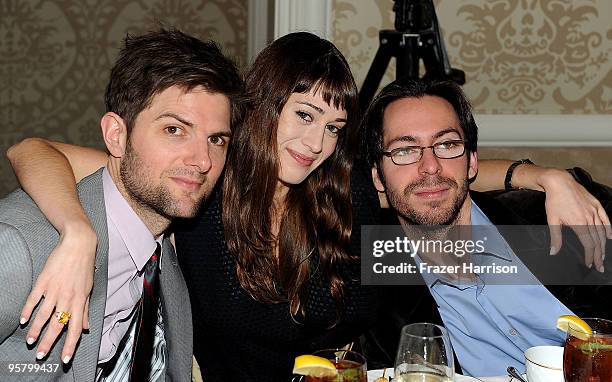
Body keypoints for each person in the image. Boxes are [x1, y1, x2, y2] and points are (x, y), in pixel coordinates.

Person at [6, 32, 610, 381]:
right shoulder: (198, 183)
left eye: (333, 126)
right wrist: (75, 230)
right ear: (264, 106)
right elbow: (34, 149)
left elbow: (430, 174)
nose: (315, 144)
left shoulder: (342, 190)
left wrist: (543, 175)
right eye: (303, 115)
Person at [0, 29, 243, 381]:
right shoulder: (22, 246)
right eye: (174, 130)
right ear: (117, 134)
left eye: (217, 140)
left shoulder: (167, 250)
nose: (203, 160)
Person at [360, 78, 612, 376]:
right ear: (377, 177)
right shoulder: (378, 287)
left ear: (471, 162)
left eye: (448, 144)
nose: (430, 166)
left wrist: (551, 178)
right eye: (404, 150)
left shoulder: (553, 216)